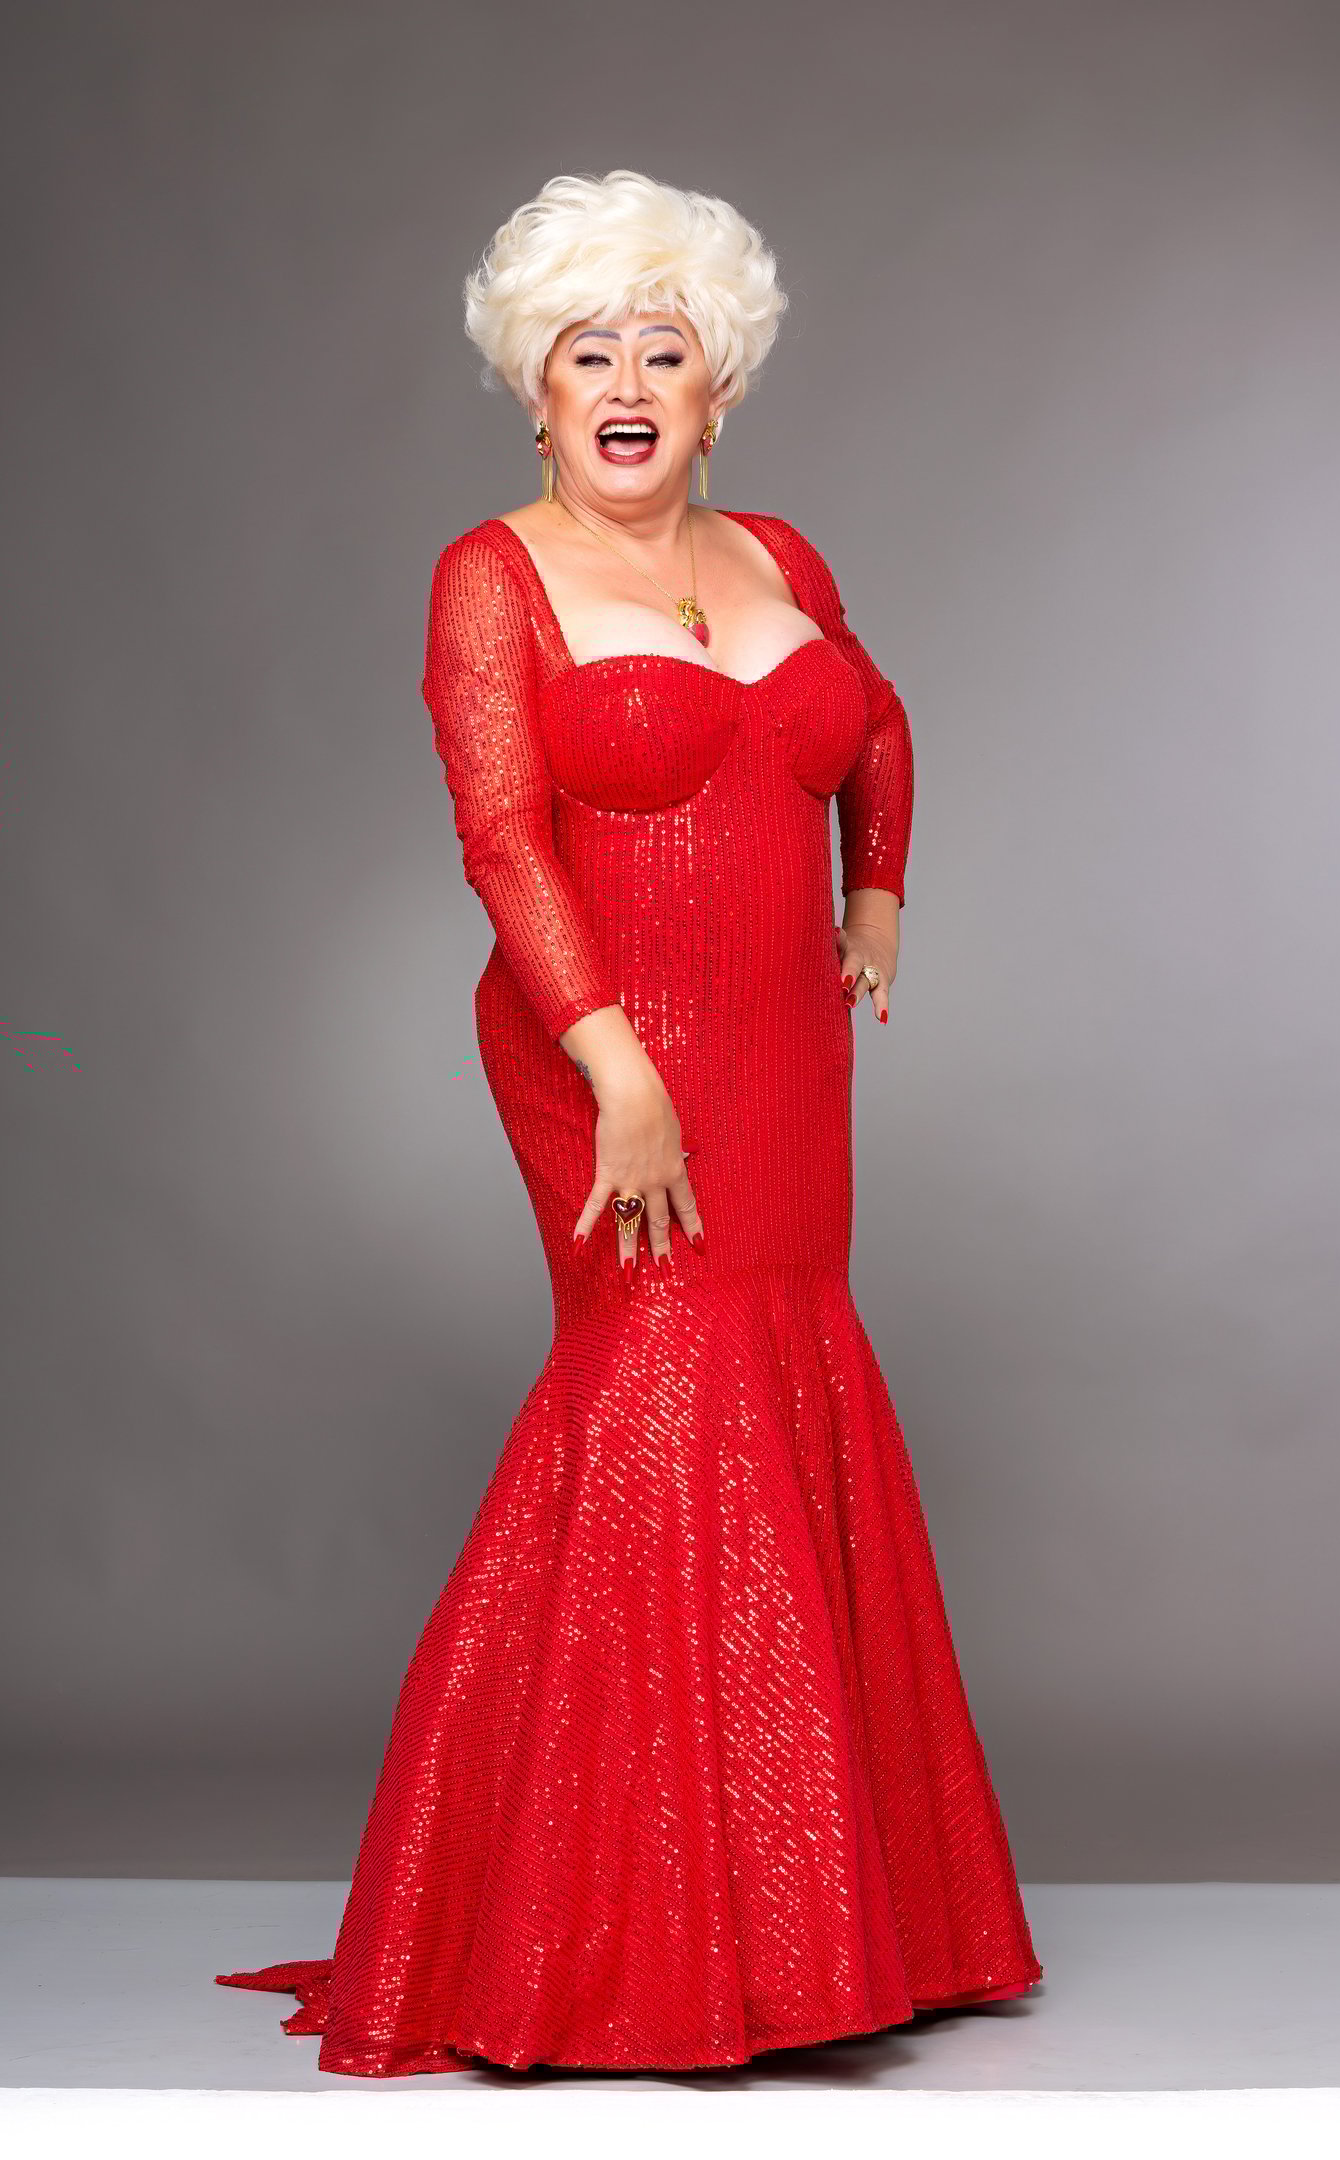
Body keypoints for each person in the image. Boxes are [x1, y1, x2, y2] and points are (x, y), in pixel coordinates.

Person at [217, 167, 1042, 2074]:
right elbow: (502, 834)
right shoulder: (490, 577)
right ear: (536, 386)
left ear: (717, 387)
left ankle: (814, 1924)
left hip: (781, 1054)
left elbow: (873, 723)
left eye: (662, 351)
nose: (626, 382)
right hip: (601, 1050)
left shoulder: (780, 553)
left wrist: (878, 888)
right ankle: (597, 1930)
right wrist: (614, 1062)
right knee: (661, 1386)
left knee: (780, 1361)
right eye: (588, 351)